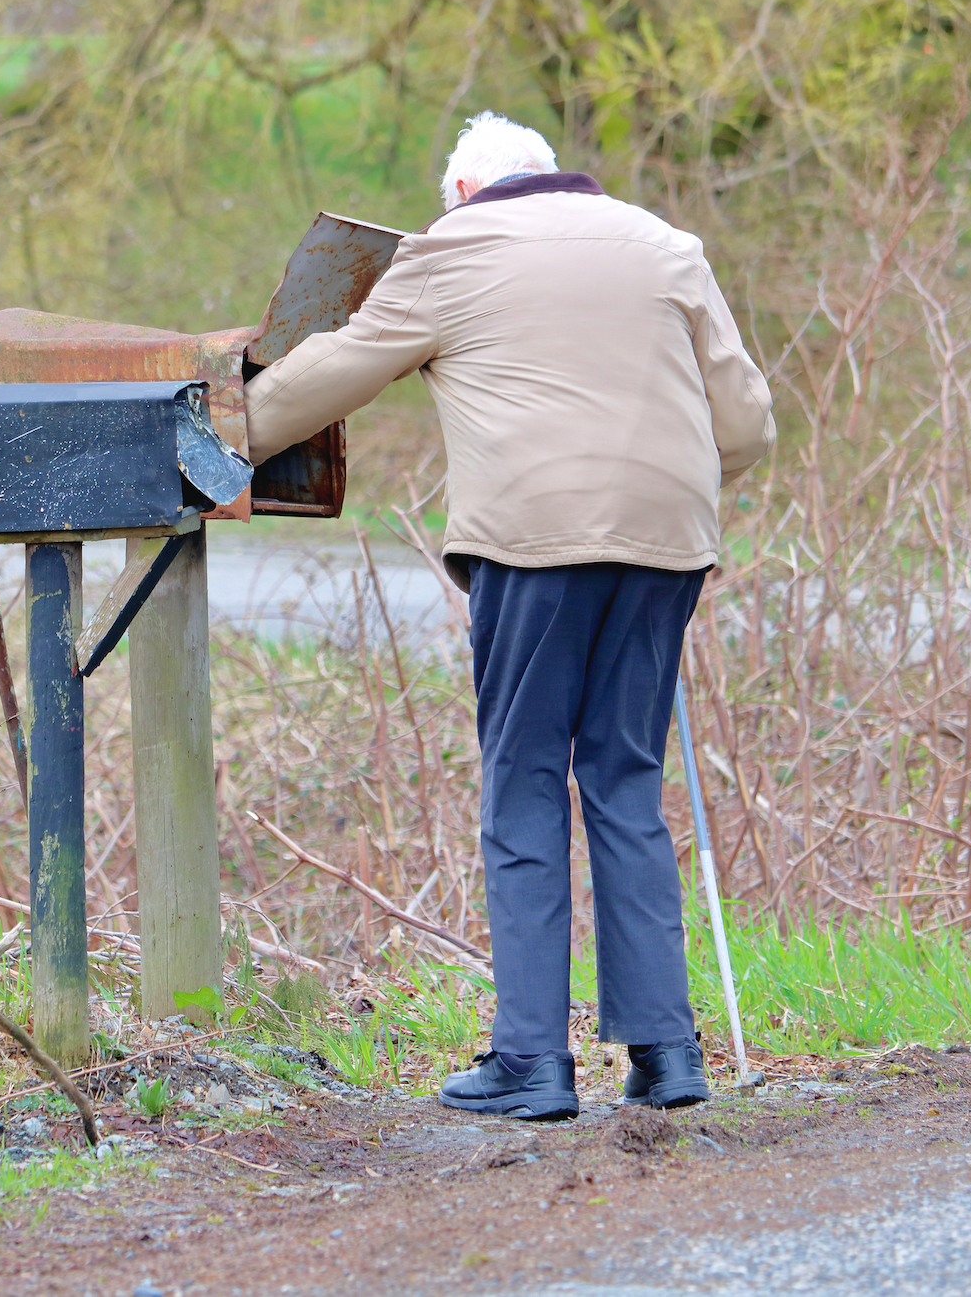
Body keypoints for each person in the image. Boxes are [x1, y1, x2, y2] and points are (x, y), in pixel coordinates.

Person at [244, 111, 774, 1119]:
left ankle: (531, 1061)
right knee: (623, 776)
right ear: (556, 176)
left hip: (532, 544)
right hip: (666, 541)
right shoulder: (665, 245)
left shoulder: (452, 249)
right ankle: (667, 1057)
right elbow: (745, 421)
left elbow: (331, 373)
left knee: (524, 777)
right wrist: (672, 491)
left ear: (459, 192)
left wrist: (223, 431)